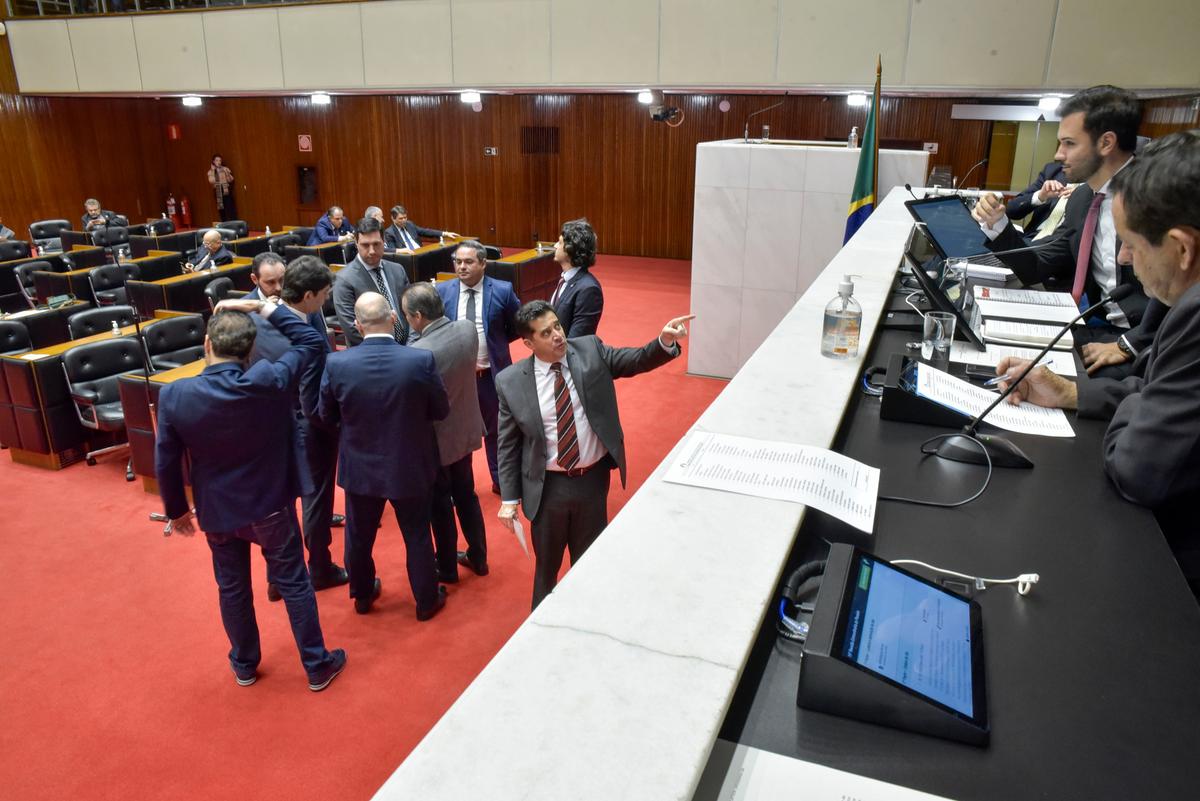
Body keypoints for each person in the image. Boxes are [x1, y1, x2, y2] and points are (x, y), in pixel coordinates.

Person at [991, 131, 1200, 597]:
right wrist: (1070, 391)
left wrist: (1141, 399)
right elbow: (1153, 392)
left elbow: (1136, 468)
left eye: (1132, 246)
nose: (1124, 259)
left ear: (1182, 248)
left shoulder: (1194, 312)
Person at [155, 297, 347, 691]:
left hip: (217, 509)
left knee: (232, 587)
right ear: (250, 350)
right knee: (293, 583)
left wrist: (177, 512)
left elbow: (166, 462)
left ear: (206, 344)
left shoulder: (175, 395)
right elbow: (311, 342)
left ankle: (244, 663)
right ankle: (316, 665)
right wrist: (263, 308)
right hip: (270, 505)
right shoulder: (269, 381)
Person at [496, 300, 693, 609]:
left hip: (592, 481)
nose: (558, 336)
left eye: (557, 326)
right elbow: (507, 445)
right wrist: (509, 499)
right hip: (547, 488)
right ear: (528, 342)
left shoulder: (589, 350)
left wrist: (664, 342)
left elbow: (635, 360)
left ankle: (589, 616)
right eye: (546, 333)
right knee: (546, 569)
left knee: (590, 564)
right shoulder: (510, 382)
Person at [971, 85, 1159, 378]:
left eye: (1069, 143)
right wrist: (999, 225)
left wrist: (1129, 343)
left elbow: (1185, 289)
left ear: (1106, 143)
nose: (1058, 155)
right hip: (1097, 327)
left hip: (1149, 343)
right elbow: (1039, 266)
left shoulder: (1158, 195)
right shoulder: (1084, 199)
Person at [318, 292, 450, 619]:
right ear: (393, 318)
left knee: (359, 538)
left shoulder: (337, 362)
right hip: (409, 464)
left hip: (360, 467)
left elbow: (326, 415)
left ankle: (362, 596)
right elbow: (441, 409)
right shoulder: (420, 360)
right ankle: (425, 601)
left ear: (357, 325)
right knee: (417, 535)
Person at [248, 255, 348, 602]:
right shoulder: (299, 332)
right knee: (315, 501)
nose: (326, 300)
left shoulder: (258, 318)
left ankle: (279, 576)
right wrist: (335, 425)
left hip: (266, 424)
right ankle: (320, 568)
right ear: (307, 295)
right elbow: (310, 397)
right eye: (323, 294)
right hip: (307, 426)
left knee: (280, 503)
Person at [404, 282, 490, 580]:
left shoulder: (416, 353)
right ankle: (479, 557)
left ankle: (448, 568)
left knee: (441, 504)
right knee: (467, 496)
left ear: (416, 317)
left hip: (437, 442)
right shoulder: (467, 329)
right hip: (465, 431)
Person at [436, 240, 521, 493]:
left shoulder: (503, 290)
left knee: (497, 431)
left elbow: (517, 326)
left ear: (483, 263)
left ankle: (500, 481)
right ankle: (458, 486)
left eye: (468, 262)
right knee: (456, 433)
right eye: (458, 262)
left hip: (489, 376)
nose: (461, 267)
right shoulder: (442, 291)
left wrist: (494, 346)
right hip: (456, 379)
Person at [333, 216, 411, 346]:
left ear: (384, 241)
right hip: (372, 355)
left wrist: (411, 342)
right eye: (365, 245)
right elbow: (352, 329)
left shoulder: (397, 270)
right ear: (356, 243)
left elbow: (411, 309)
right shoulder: (344, 279)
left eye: (376, 244)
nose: (372, 251)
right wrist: (391, 350)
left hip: (407, 347)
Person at [550, 218, 604, 337]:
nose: (555, 246)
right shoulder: (564, 280)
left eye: (559, 242)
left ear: (570, 249)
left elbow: (578, 341)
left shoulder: (589, 289)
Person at [1006, 160, 1069, 237]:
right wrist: (1040, 196)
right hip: (1029, 239)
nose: (1058, 156)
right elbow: (1011, 210)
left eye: (1070, 147)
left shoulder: (1086, 189)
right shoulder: (1053, 170)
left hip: (1059, 244)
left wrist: (1081, 196)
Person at [385, 205, 459, 252]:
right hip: (408, 256)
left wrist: (444, 233)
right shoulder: (390, 232)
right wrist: (402, 250)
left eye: (405, 217)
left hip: (420, 252)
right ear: (393, 219)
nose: (404, 220)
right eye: (400, 218)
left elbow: (425, 231)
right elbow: (393, 251)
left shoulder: (409, 224)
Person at [207, 154, 237, 223]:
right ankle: (225, 224)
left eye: (220, 160)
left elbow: (231, 179)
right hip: (218, 190)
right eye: (217, 160)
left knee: (230, 208)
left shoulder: (225, 169)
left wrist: (227, 173)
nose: (219, 162)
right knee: (221, 210)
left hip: (226, 188)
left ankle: (234, 223)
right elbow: (211, 181)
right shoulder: (211, 172)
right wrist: (214, 171)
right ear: (213, 161)